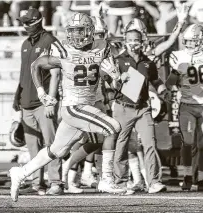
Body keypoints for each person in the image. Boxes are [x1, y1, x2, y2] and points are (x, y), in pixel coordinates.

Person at [9, 12, 124, 202]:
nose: (76, 35)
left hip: (87, 106)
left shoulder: (102, 47)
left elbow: (114, 86)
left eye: (80, 30)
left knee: (56, 151)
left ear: (90, 31)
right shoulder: (62, 49)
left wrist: (115, 76)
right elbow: (36, 65)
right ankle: (107, 179)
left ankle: (20, 173)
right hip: (74, 107)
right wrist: (41, 93)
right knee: (113, 128)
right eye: (73, 31)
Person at [106, 18, 168, 194]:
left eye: (136, 40)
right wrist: (118, 80)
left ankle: (153, 181)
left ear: (142, 42)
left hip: (142, 107)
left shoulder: (148, 62)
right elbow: (110, 86)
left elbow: (156, 80)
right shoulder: (118, 60)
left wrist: (164, 91)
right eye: (130, 40)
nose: (133, 43)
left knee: (150, 143)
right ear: (125, 42)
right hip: (123, 107)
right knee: (121, 144)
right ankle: (120, 182)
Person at [12, 8, 63, 196]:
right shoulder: (25, 43)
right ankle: (37, 183)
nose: (25, 26)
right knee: (33, 146)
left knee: (51, 143)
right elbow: (23, 71)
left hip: (43, 102)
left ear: (37, 21)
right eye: (23, 22)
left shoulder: (50, 41)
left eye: (27, 22)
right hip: (26, 101)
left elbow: (56, 73)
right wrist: (17, 95)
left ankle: (56, 182)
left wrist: (51, 101)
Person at [166, 24, 203, 191]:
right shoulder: (178, 56)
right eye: (187, 42)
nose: (189, 45)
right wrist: (176, 73)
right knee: (187, 143)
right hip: (187, 105)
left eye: (193, 42)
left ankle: (201, 179)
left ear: (202, 42)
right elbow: (169, 83)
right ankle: (187, 176)